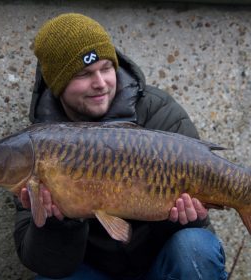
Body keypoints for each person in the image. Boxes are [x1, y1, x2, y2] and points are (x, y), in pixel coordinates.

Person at [13, 13, 228, 280]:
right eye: (84, 74)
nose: (101, 83)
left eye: (106, 68)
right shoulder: (36, 147)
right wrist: (59, 223)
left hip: (159, 263)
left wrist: (186, 217)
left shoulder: (159, 113)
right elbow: (42, 262)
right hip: (92, 269)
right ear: (58, 83)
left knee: (195, 248)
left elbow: (198, 224)